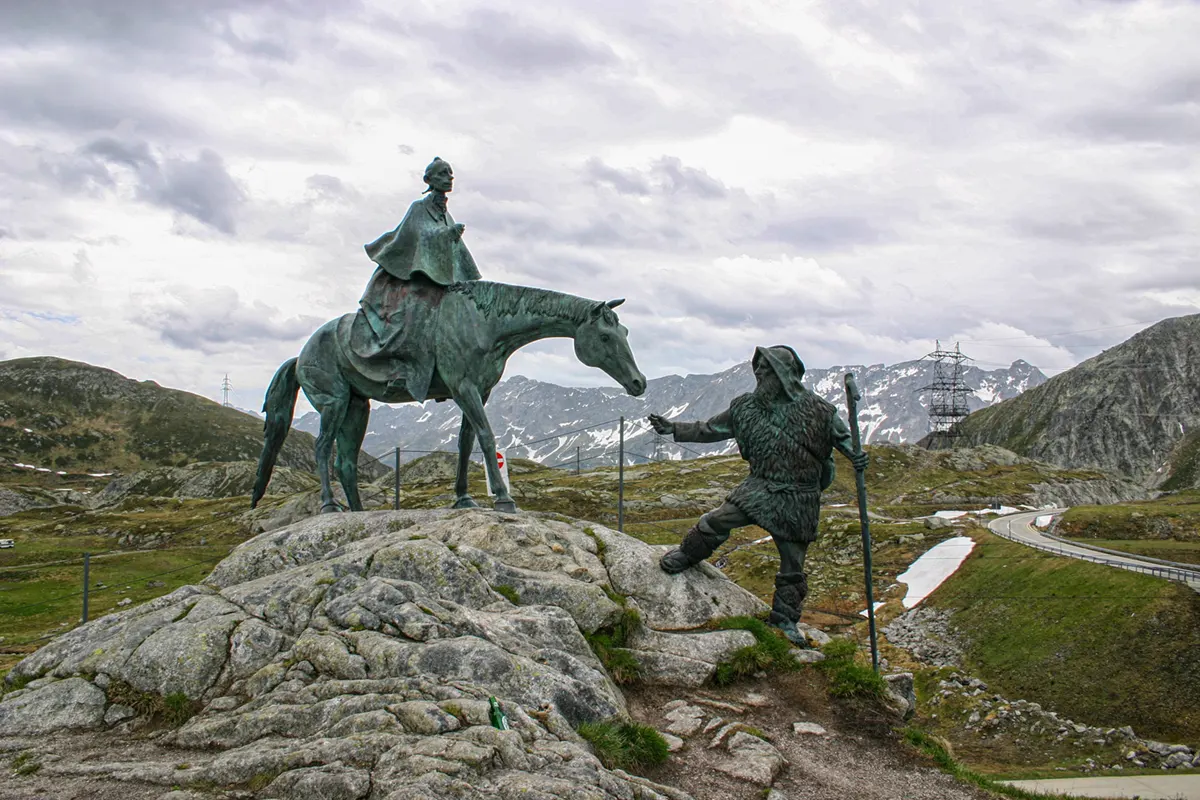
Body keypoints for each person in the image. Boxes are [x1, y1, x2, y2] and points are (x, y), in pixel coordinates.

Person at [648, 345, 869, 646]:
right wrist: (674, 427)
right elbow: (712, 428)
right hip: (760, 486)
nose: (759, 373)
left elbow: (845, 442)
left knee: (792, 564)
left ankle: (785, 621)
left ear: (785, 373)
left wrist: (857, 456)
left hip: (799, 497)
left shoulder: (819, 411)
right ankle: (687, 554)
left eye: (767, 367)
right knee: (717, 520)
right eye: (758, 367)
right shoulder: (745, 408)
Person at [351, 157, 482, 401]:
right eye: (443, 174)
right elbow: (418, 237)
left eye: (451, 174)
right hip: (408, 279)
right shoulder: (419, 208)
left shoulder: (445, 214)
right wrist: (446, 235)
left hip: (437, 280)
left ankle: (443, 373)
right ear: (429, 180)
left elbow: (457, 253)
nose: (449, 178)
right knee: (414, 317)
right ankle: (399, 372)